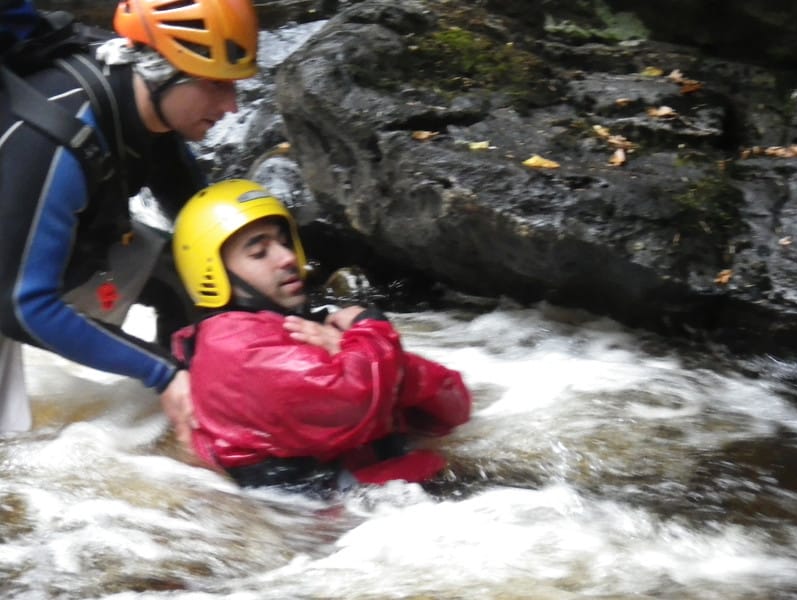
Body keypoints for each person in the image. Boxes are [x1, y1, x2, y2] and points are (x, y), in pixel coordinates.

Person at [0, 0, 259, 441]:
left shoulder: (146, 106)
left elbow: (206, 230)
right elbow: (22, 306)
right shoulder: (57, 137)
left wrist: (293, 318)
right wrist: (161, 372)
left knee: (187, 272)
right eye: (216, 84)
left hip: (45, 255)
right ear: (163, 70)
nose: (231, 106)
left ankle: (196, 422)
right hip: (11, 294)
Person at [170, 179, 472, 493]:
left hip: (344, 499)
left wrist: (357, 348)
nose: (287, 258)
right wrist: (371, 330)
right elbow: (353, 401)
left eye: (284, 243)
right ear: (212, 272)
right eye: (259, 252)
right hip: (321, 510)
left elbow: (453, 406)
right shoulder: (239, 348)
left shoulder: (289, 329)